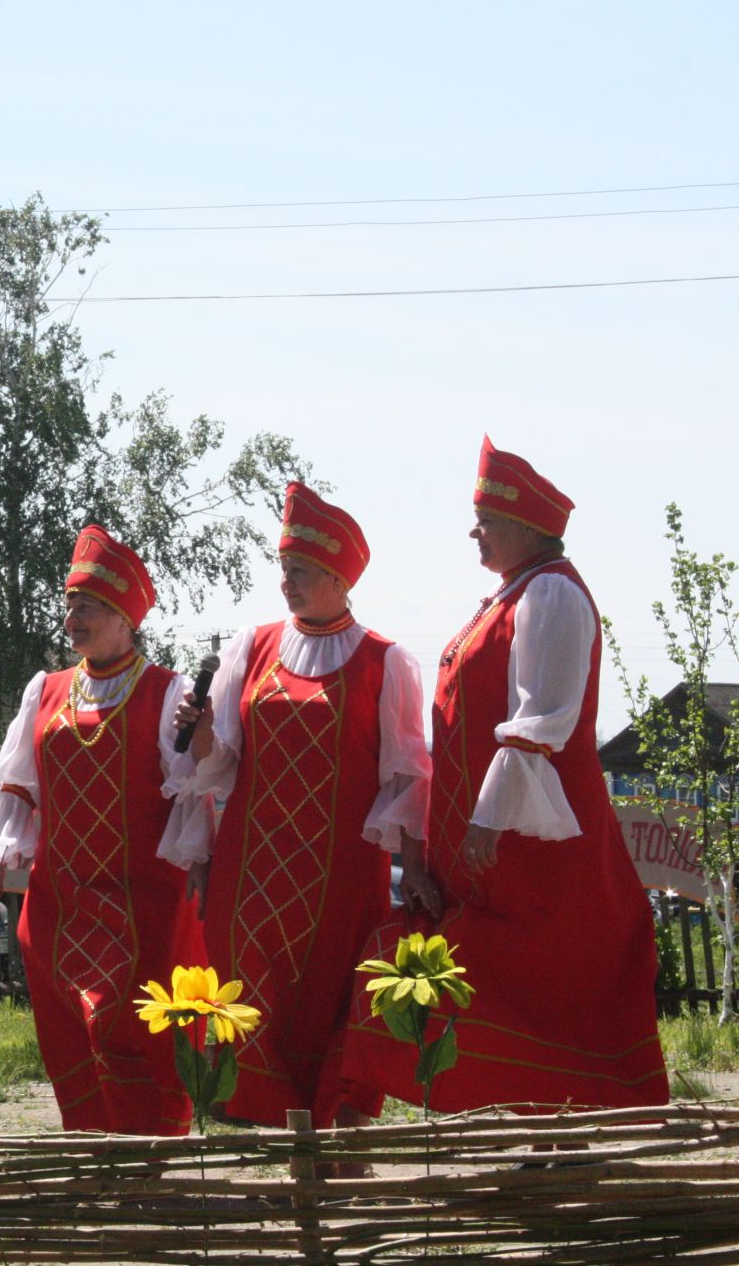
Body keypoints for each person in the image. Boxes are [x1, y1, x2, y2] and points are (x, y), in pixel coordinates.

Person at [341, 439, 668, 1113]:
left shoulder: (550, 593)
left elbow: (541, 717)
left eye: (486, 518)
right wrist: (432, 848)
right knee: (463, 977)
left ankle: (562, 1133)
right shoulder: (512, 595)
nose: (474, 530)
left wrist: (486, 819)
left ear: (527, 527)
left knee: (535, 982)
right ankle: (542, 1134)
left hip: (534, 859)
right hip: (493, 863)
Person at [171, 483, 436, 1133]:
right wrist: (200, 728)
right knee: (256, 1003)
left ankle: (334, 1146)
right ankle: (275, 1147)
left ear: (340, 577)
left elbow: (408, 774)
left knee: (328, 1005)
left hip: (340, 876)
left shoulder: (385, 662)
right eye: (283, 567)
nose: (286, 581)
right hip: (252, 873)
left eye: (302, 570)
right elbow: (217, 763)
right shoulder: (251, 647)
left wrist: (416, 865)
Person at [0, 526, 212, 1134]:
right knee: (70, 1030)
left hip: (144, 907)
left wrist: (202, 739)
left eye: (91, 605)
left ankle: (147, 1159)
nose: (74, 614)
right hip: (61, 900)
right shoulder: (45, 690)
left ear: (126, 618)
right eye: (70, 602)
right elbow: (20, 784)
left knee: (135, 1029)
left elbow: (196, 787)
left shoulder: (167, 693)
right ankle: (92, 1152)